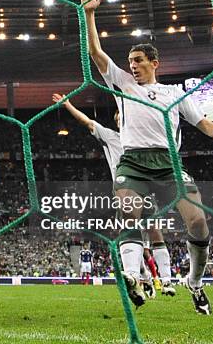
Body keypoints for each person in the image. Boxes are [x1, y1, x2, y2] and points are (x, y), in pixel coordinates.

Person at [80, 0, 213, 315]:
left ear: (154, 62)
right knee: (128, 211)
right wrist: (89, 14)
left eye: (138, 60)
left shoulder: (174, 94)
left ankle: (194, 282)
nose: (132, 66)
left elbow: (205, 126)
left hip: (168, 163)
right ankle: (133, 276)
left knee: (197, 222)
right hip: (133, 162)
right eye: (129, 61)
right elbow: (96, 54)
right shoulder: (122, 84)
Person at [52, 95, 176, 298]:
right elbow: (87, 122)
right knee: (129, 236)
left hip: (145, 191)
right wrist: (68, 105)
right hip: (125, 191)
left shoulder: (144, 140)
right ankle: (140, 278)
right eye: (118, 119)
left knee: (154, 233)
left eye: (124, 118)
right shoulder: (111, 137)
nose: (121, 121)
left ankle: (167, 280)